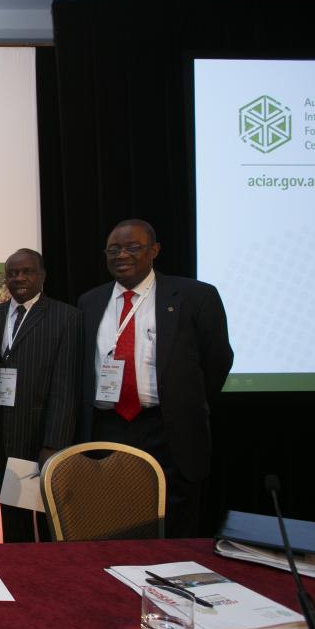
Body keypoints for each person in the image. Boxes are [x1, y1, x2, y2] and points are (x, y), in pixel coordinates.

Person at [79, 218, 233, 538]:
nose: (122, 255)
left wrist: (184, 401)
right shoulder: (89, 302)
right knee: (111, 520)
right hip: (107, 428)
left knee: (175, 527)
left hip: (168, 428)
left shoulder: (194, 296)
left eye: (133, 247)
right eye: (114, 249)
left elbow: (217, 359)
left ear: (155, 250)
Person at [0, 249, 82, 542]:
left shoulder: (65, 316)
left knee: (45, 523)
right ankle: (16, 576)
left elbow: (66, 384)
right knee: (12, 520)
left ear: (42, 276)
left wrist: (53, 443)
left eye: (27, 272)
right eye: (13, 273)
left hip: (38, 436)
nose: (19, 278)